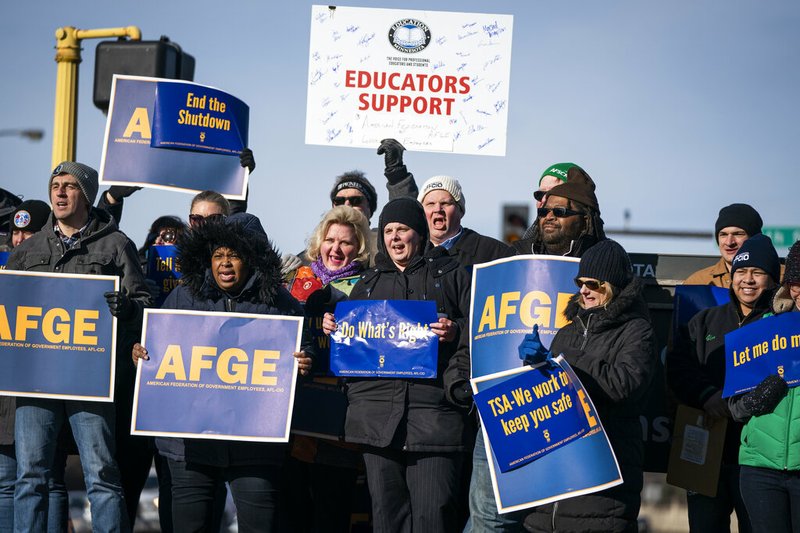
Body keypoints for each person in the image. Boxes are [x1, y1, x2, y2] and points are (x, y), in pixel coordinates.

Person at [133, 212, 308, 532]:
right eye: (218, 255)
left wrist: (304, 361)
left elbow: (302, 347)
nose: (225, 263)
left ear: (252, 257)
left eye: (234, 255)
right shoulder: (184, 296)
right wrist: (142, 356)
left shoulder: (279, 301)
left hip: (256, 446)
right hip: (190, 445)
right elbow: (158, 351)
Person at [7, 161, 152, 532]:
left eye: (70, 186)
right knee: (31, 476)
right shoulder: (30, 248)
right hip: (36, 382)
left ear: (85, 195)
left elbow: (145, 304)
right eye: (55, 184)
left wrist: (132, 309)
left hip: (91, 381)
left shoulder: (116, 244)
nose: (59, 192)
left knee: (101, 474)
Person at [323, 197, 473, 532]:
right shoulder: (367, 284)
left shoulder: (451, 276)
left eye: (402, 229)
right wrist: (332, 327)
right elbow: (350, 345)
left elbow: (481, 331)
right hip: (376, 423)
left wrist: (455, 331)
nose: (394, 238)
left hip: (435, 421)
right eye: (388, 230)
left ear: (418, 234)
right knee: (387, 519)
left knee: (432, 518)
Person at [522, 239, 657, 532]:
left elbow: (624, 385)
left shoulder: (637, 329)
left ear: (612, 285)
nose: (583, 290)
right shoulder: (566, 332)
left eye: (593, 283)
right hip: (551, 486)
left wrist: (565, 360)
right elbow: (546, 396)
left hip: (602, 483)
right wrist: (533, 368)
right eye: (580, 282)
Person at [668, 233, 782, 533]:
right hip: (706, 450)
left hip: (758, 460)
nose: (748, 280)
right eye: (741, 272)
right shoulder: (704, 321)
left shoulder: (781, 326)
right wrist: (707, 396)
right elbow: (678, 369)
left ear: (772, 280)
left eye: (757, 273)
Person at [284, 206, 371, 532]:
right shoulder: (295, 280)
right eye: (330, 240)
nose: (336, 248)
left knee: (331, 517)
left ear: (359, 247)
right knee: (293, 516)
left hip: (339, 422)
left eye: (346, 243)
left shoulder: (367, 285)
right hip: (294, 421)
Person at [1, 198, 71, 533]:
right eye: (15, 232)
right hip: (5, 396)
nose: (19, 240)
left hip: (46, 390)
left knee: (50, 480)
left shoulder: (62, 264)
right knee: (5, 482)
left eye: (28, 231)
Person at [726, 238, 799, 533]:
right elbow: (734, 408)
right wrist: (754, 401)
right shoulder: (762, 328)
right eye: (795, 282)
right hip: (759, 470)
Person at [417, 175, 515, 267]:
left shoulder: (493, 252)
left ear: (460, 210)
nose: (438, 209)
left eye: (445, 203)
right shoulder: (410, 253)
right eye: (430, 204)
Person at [513, 168, 605, 256]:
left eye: (560, 211)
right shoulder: (521, 252)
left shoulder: (605, 254)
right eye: (540, 194)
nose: (545, 199)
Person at [684, 203, 765, 287]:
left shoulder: (778, 278)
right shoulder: (698, 282)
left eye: (738, 234)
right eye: (723, 234)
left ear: (754, 239)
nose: (729, 242)